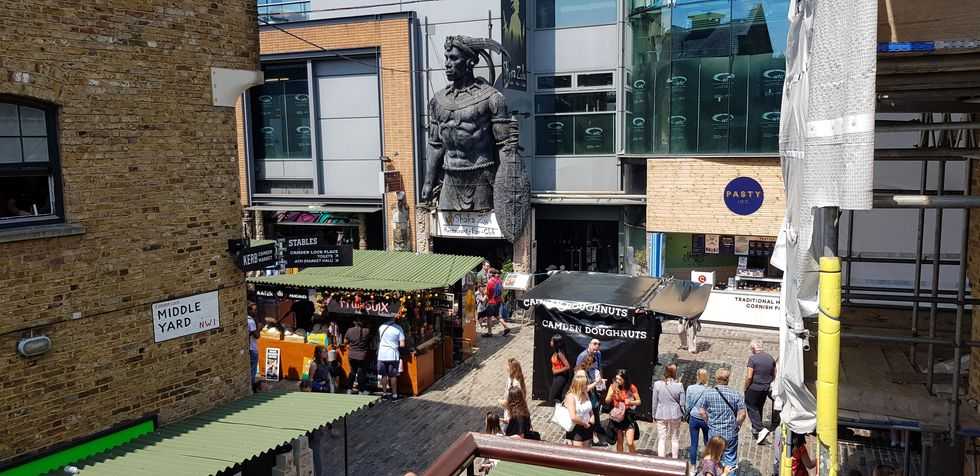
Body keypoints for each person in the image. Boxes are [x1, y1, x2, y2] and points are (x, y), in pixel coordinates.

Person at [700, 368, 747, 474]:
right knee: (731, 461)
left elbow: (702, 411)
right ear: (728, 379)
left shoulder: (708, 393)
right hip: (730, 432)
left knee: (713, 457)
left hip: (714, 432)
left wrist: (708, 422)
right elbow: (743, 414)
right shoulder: (735, 394)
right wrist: (737, 425)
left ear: (716, 379)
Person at [745, 339, 777, 444]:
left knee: (751, 406)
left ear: (753, 348)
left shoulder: (752, 359)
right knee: (759, 407)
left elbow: (749, 377)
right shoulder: (770, 358)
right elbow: (774, 374)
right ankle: (756, 429)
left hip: (754, 387)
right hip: (765, 388)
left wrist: (746, 387)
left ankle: (760, 429)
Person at [652, 363, 685, 459]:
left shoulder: (657, 384)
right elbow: (682, 403)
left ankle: (661, 460)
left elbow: (654, 401)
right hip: (675, 414)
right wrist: (683, 414)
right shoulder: (679, 385)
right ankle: (675, 459)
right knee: (674, 438)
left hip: (661, 413)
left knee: (661, 439)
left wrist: (653, 414)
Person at [604, 369, 641, 453]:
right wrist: (610, 396)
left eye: (620, 379)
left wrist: (631, 402)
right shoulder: (613, 386)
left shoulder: (631, 387)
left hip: (628, 416)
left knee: (630, 442)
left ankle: (633, 457)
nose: (617, 381)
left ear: (625, 379)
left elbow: (639, 401)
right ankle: (620, 458)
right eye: (616, 378)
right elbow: (607, 401)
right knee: (619, 441)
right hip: (618, 416)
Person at [377, 314, 406, 400]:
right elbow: (402, 344)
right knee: (393, 376)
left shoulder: (381, 327)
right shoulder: (398, 328)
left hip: (382, 354)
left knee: (383, 375)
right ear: (394, 318)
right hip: (393, 354)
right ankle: (394, 395)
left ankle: (384, 393)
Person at [686, 368, 712, 466]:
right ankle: (708, 466)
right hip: (705, 418)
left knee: (694, 444)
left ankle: (693, 467)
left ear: (697, 377)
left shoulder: (690, 388)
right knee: (707, 443)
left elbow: (687, 405)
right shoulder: (710, 390)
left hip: (694, 418)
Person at [564, 369, 594, 447]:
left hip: (588, 426)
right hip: (576, 429)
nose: (587, 386)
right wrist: (584, 423)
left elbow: (590, 409)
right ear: (579, 385)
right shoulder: (571, 397)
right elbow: (573, 417)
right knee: (577, 452)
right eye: (585, 384)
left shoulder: (585, 393)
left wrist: (592, 417)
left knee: (587, 451)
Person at [344, 319, 371, 394]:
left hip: (352, 355)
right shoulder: (367, 331)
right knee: (361, 373)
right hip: (362, 355)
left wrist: (350, 344)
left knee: (352, 371)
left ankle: (349, 389)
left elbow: (345, 342)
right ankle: (361, 390)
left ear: (354, 322)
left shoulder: (349, 330)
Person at [484, 269, 510, 337]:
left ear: (491, 274)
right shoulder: (500, 281)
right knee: (497, 316)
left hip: (491, 302)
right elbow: (501, 292)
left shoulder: (490, 282)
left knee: (489, 317)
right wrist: (502, 301)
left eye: (488, 273)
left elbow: (486, 293)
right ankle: (506, 327)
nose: (487, 274)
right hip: (498, 302)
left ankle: (489, 333)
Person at [549, 335, 571, 405]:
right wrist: (553, 368)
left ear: (556, 343)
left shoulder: (560, 353)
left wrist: (556, 371)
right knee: (558, 397)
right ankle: (561, 408)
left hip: (561, 377)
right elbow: (555, 363)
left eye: (552, 341)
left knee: (552, 397)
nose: (550, 342)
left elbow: (568, 366)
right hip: (557, 377)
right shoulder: (555, 352)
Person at [246, 302, 262, 392]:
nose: (256, 312)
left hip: (249, 347)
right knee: (253, 369)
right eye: (254, 310)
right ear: (249, 310)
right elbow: (256, 335)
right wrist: (259, 327)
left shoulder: (246, 319)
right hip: (252, 348)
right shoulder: (251, 321)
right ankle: (252, 386)